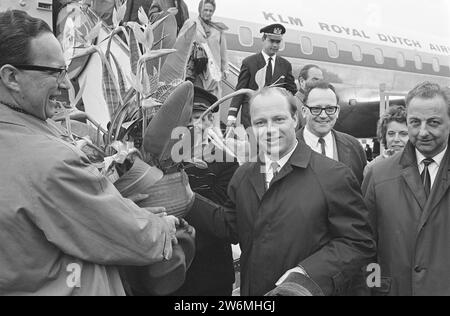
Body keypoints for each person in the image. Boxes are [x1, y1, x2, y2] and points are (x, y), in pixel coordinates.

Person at [0, 10, 181, 296]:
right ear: (11, 76)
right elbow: (130, 237)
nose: (65, 84)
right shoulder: (49, 161)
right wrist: (164, 228)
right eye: (55, 72)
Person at [189, 87, 376, 296]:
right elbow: (230, 225)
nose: (270, 130)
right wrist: (188, 199)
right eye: (261, 122)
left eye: (279, 119)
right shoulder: (243, 176)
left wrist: (305, 275)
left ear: (295, 119)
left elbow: (358, 242)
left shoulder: (334, 176)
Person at [362, 82, 450, 296]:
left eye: (433, 123)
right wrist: (372, 290)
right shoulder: (378, 175)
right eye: (415, 122)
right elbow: (364, 248)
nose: (422, 132)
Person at [173, 86, 237, 296]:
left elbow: (223, 222)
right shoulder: (162, 161)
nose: (193, 126)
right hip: (168, 276)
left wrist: (178, 192)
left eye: (199, 118)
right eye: (187, 120)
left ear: (210, 121)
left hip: (211, 276)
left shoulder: (226, 163)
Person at [227, 24, 297, 130]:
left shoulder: (285, 65)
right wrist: (232, 117)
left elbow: (292, 91)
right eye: (271, 41)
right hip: (252, 118)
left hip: (274, 118)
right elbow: (240, 91)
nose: (275, 45)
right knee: (254, 146)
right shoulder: (249, 62)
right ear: (263, 39)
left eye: (278, 42)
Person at [297, 80, 367, 185]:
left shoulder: (354, 147)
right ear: (303, 111)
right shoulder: (288, 148)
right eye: (316, 109)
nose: (323, 115)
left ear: (337, 111)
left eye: (330, 109)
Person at [185, 0, 228, 98]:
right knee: (196, 103)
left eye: (211, 11)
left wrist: (225, 69)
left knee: (212, 104)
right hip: (197, 71)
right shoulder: (191, 24)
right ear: (200, 9)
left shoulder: (218, 29)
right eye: (205, 10)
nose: (208, 13)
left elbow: (223, 52)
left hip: (213, 73)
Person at [363, 106, 408, 177]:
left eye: (403, 134)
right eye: (391, 133)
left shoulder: (421, 165)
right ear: (384, 136)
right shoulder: (372, 168)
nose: (396, 139)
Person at [295, 64, 323, 129]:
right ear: (302, 81)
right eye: (315, 79)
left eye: (321, 80)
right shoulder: (293, 106)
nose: (319, 83)